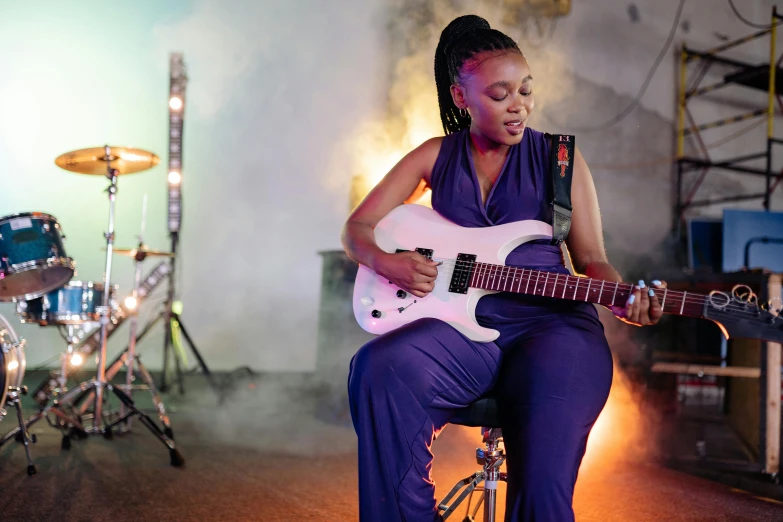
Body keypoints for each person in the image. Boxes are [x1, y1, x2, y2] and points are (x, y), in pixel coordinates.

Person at [341, 14, 663, 522]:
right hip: (462, 329)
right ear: (461, 97)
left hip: (554, 327)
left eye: (526, 91)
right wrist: (389, 262)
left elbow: (594, 260)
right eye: (500, 94)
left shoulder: (561, 159)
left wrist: (622, 300)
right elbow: (358, 228)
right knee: (378, 368)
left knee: (542, 484)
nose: (519, 106)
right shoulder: (434, 156)